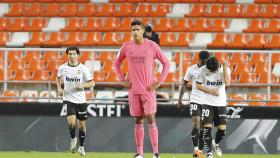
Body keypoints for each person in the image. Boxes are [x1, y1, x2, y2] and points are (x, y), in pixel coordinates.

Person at [114, 20, 170, 158]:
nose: (134, 32)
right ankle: (140, 154)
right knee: (138, 120)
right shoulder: (126, 46)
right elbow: (116, 63)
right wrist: (122, 80)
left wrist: (159, 82)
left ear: (143, 31)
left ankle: (156, 153)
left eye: (137, 29)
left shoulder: (152, 45)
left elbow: (166, 63)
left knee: (151, 118)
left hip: (148, 90)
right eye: (132, 30)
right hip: (133, 90)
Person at [56, 46, 95, 156]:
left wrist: (82, 85)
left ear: (78, 55)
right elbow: (57, 77)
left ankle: (81, 147)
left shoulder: (83, 68)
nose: (72, 56)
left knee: (82, 125)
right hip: (68, 99)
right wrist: (59, 88)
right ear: (67, 55)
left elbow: (92, 83)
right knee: (71, 123)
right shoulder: (63, 67)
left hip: (81, 101)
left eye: (74, 54)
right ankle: (73, 138)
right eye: (70, 54)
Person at [196, 56, 231, 158]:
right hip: (207, 103)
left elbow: (227, 82)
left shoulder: (225, 69)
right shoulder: (203, 70)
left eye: (213, 70)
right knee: (207, 128)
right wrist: (211, 91)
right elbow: (198, 85)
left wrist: (224, 67)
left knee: (222, 130)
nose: (211, 71)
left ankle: (216, 143)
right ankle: (209, 153)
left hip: (220, 104)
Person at [178, 51, 210, 158]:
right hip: (195, 99)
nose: (206, 63)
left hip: (206, 101)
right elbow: (184, 84)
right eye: (204, 61)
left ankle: (200, 152)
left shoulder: (210, 70)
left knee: (203, 126)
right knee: (196, 122)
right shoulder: (191, 69)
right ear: (200, 59)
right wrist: (179, 99)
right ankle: (196, 151)